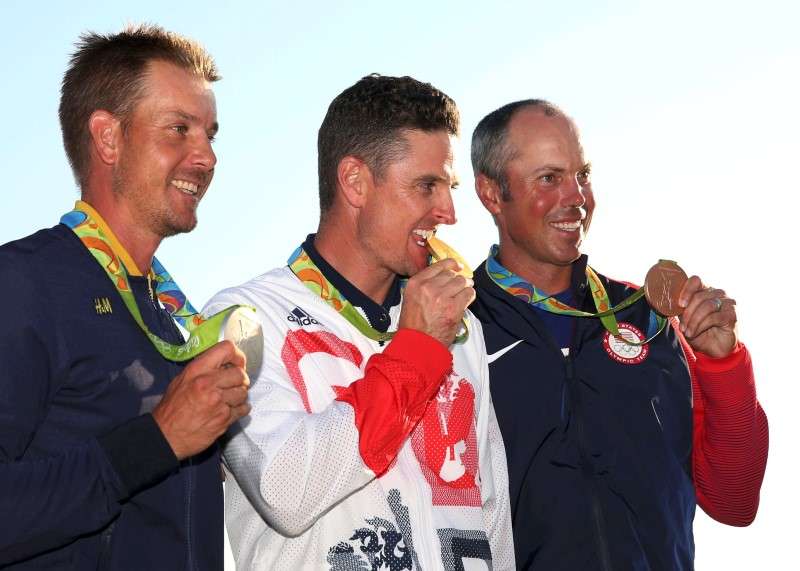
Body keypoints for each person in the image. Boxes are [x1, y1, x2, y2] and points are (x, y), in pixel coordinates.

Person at [204, 74, 514, 570]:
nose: (449, 211)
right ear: (355, 182)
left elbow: (491, 512)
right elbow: (284, 491)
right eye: (426, 186)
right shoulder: (243, 318)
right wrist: (415, 352)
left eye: (448, 186)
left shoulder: (461, 328)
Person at [468, 99, 769, 570]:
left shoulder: (647, 320)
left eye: (582, 175)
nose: (577, 197)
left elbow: (734, 500)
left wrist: (723, 364)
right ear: (491, 193)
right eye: (550, 178)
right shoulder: (456, 331)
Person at [0, 25, 250, 569]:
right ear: (108, 138)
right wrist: (157, 441)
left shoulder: (169, 317)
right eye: (178, 129)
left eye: (210, 133)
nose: (205, 157)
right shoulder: (23, 283)